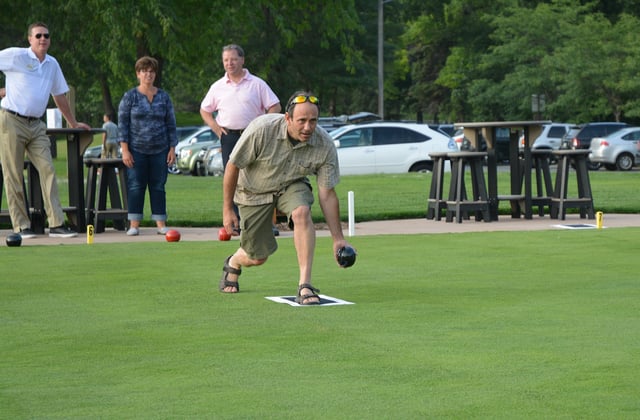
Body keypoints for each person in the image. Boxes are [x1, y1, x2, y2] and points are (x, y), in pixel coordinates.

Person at [219, 91, 355, 305]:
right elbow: (232, 166)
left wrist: (338, 238)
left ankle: (305, 285)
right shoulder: (262, 129)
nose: (308, 127)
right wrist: (227, 209)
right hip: (253, 192)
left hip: (291, 185)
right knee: (257, 257)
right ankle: (235, 260)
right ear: (287, 118)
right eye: (301, 121)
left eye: (313, 121)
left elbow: (327, 194)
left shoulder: (324, 145)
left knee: (302, 212)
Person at [0, 22, 90, 239]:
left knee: (48, 170)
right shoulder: (16, 56)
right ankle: (21, 226)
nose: (43, 39)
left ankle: (57, 224)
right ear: (30, 39)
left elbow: (59, 96)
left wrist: (73, 122)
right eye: (38, 35)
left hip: (37, 124)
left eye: (46, 36)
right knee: (13, 174)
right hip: (11, 120)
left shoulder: (52, 64)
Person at [199, 44, 281, 235]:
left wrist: (263, 125)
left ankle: (265, 223)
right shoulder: (217, 86)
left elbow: (275, 107)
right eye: (226, 60)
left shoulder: (257, 84)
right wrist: (216, 128)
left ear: (242, 60)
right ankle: (234, 223)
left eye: (233, 59)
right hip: (229, 136)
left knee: (259, 176)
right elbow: (205, 109)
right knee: (232, 178)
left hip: (254, 136)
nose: (229, 63)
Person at [118, 56, 178, 236]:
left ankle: (161, 224)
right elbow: (122, 124)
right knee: (136, 185)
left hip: (160, 148)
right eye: (144, 71)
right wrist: (125, 150)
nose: (148, 74)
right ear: (138, 74)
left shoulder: (164, 97)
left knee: (158, 186)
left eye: (151, 71)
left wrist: (172, 148)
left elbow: (171, 124)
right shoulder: (130, 97)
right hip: (136, 149)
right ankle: (134, 225)